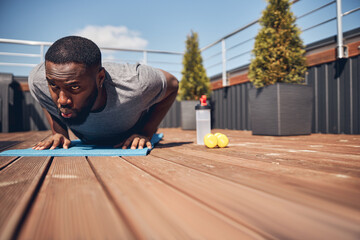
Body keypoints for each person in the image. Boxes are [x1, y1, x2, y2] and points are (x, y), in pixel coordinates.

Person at [29, 36, 178, 150]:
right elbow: (43, 94)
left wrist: (146, 132)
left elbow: (173, 84)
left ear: (100, 78)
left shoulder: (135, 83)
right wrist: (59, 132)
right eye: (54, 85)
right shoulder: (39, 81)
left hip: (130, 135)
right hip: (88, 139)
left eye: (74, 87)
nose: (62, 100)